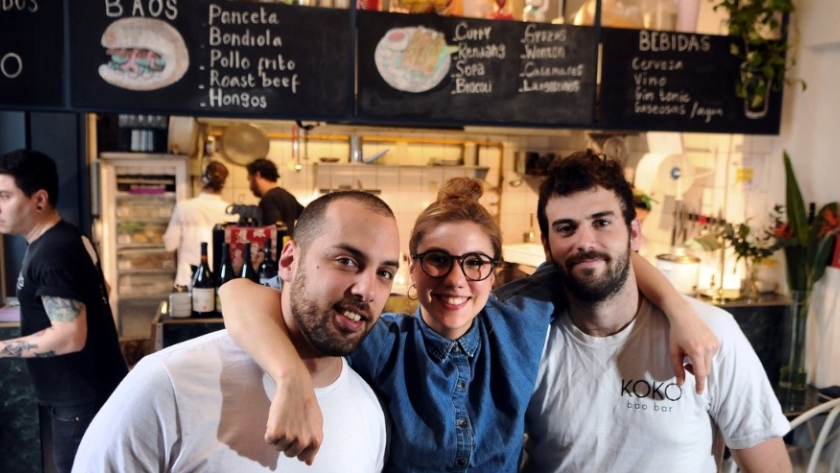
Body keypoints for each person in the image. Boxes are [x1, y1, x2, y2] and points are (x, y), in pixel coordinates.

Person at [220, 176, 719, 471]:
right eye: (437, 259)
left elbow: (602, 257)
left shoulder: (520, 316)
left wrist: (679, 310)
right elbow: (237, 294)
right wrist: (290, 377)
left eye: (476, 262)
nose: (457, 280)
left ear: (495, 271)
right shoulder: (379, 340)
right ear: (410, 268)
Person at [71, 190, 395, 472]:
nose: (367, 289)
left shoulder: (369, 414)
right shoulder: (167, 385)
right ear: (289, 262)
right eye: (346, 261)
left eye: (384, 272)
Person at [512, 150, 790, 472]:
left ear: (634, 233)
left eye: (602, 222)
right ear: (547, 247)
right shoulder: (527, 339)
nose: (585, 241)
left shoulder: (710, 333)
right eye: (565, 228)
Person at [0, 149, 128, 473]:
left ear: (39, 199)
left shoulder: (52, 251)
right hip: (92, 390)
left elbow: (70, 336)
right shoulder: (69, 237)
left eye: (5, 196)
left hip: (79, 398)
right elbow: (103, 290)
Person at [163, 160, 237, 286]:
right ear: (222, 184)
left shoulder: (184, 207)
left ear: (202, 181)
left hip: (189, 279)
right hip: (222, 278)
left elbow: (170, 244)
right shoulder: (232, 211)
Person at [246, 157, 304, 231]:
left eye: (249, 179)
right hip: (288, 242)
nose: (250, 186)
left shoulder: (268, 200)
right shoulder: (288, 196)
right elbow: (307, 216)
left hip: (277, 242)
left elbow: (272, 231)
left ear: (257, 175)